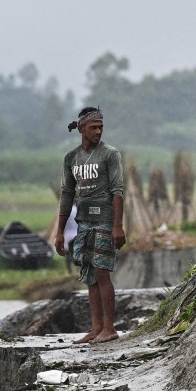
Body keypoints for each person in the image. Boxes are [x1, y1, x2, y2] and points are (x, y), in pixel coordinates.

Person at [54, 107, 126, 344]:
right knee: (90, 275)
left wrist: (117, 226)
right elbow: (67, 194)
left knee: (102, 271)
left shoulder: (109, 154)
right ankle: (96, 328)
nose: (98, 132)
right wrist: (60, 232)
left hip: (104, 221)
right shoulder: (71, 158)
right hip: (83, 222)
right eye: (93, 127)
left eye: (101, 127)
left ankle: (109, 328)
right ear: (81, 128)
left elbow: (117, 190)